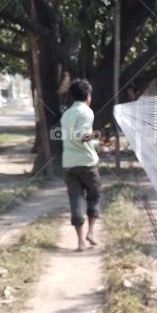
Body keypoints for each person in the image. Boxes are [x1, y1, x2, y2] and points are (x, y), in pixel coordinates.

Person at [60, 78, 101, 252]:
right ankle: (90, 232)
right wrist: (95, 136)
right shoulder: (86, 112)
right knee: (94, 196)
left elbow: (72, 137)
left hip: (69, 164)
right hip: (87, 163)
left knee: (75, 200)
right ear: (88, 96)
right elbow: (82, 136)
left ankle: (80, 242)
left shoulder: (66, 115)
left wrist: (92, 140)